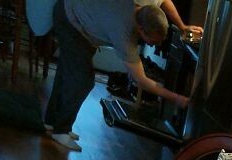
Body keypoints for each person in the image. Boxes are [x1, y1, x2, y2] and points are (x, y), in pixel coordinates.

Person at [44, 0, 202, 151]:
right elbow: (142, 80)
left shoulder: (147, 6)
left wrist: (182, 27)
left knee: (68, 72)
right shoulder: (123, 33)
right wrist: (177, 98)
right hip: (70, 20)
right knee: (82, 81)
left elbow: (165, 1)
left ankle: (51, 123)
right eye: (153, 41)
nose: (157, 44)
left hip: (83, 16)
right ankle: (61, 131)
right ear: (141, 29)